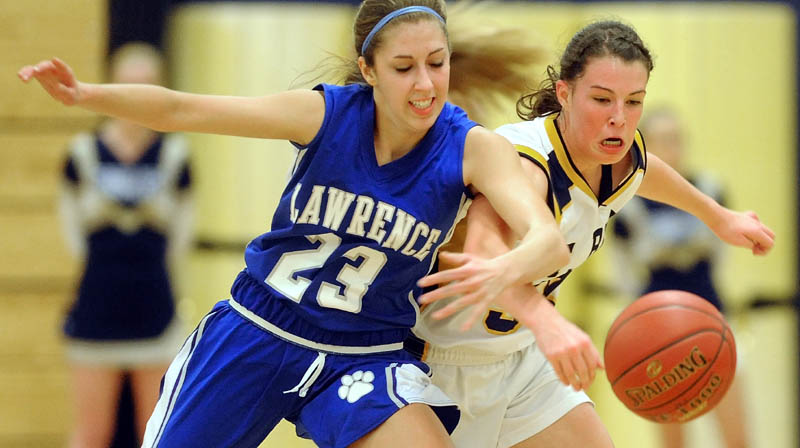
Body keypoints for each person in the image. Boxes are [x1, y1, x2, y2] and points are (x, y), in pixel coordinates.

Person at [19, 2, 571, 447]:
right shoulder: (325, 115)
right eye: (404, 68)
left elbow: (547, 239)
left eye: (438, 62)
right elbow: (186, 111)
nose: (425, 83)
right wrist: (85, 94)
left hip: (363, 354)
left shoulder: (472, 148)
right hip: (259, 328)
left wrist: (502, 270)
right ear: (368, 70)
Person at [411, 20, 774, 448]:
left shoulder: (619, 156)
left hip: (523, 362)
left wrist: (720, 218)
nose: (619, 119)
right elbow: (486, 256)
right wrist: (548, 323)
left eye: (634, 101)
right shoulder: (527, 163)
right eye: (602, 99)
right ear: (565, 94)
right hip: (445, 364)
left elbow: (646, 170)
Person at [55, 42, 193, 448]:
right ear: (110, 86)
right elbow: (73, 235)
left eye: (147, 85)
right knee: (92, 433)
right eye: (128, 85)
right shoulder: (82, 154)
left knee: (157, 434)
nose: (136, 97)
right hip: (95, 310)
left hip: (155, 311)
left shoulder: (175, 154)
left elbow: (181, 237)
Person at [611, 107, 750, 448]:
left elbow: (723, 256)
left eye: (677, 139)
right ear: (644, 146)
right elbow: (624, 274)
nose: (672, 147)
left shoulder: (711, 189)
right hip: (658, 332)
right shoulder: (627, 205)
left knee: (737, 434)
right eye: (662, 140)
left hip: (713, 318)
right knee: (672, 436)